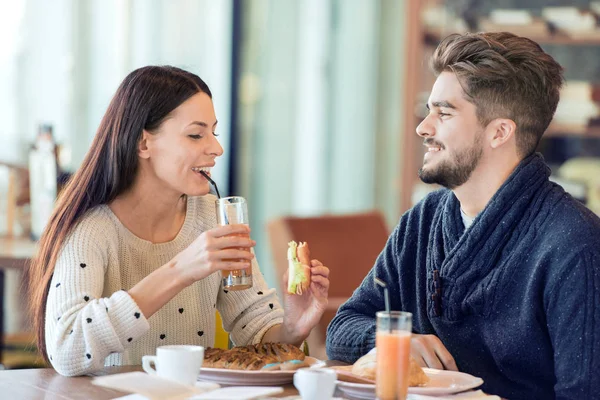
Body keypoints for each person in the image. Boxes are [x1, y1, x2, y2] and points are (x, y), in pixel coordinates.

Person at [326, 32, 600, 399]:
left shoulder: (574, 244)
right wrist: (393, 341)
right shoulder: (423, 222)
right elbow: (341, 329)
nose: (424, 127)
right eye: (428, 110)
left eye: (444, 112)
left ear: (499, 132)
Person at [28, 66, 330, 377]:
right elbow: (65, 350)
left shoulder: (212, 217)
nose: (216, 148)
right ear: (143, 144)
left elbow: (255, 332)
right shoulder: (91, 230)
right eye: (196, 134)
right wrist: (181, 269)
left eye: (214, 132)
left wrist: (293, 327)